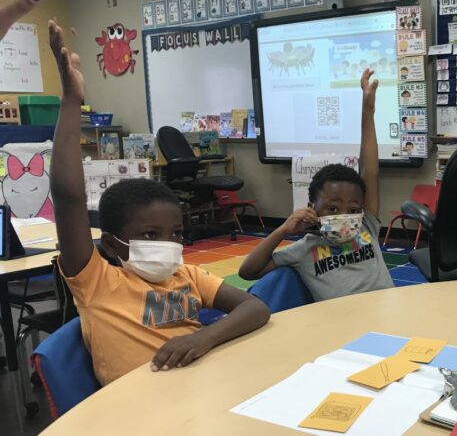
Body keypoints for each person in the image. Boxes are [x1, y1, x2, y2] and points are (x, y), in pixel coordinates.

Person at [48, 21, 269, 386]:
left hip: (199, 393)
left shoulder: (188, 276)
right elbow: (68, 198)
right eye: (151, 234)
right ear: (111, 243)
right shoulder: (97, 281)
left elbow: (255, 307)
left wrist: (202, 337)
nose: (168, 245)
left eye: (176, 233)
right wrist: (71, 102)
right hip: (139, 409)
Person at [239, 69, 393, 302]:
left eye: (353, 210)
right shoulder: (304, 249)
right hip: (347, 323)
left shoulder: (367, 227)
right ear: (313, 207)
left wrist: (368, 112)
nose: (344, 216)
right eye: (333, 209)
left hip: (389, 310)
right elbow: (247, 271)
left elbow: (370, 171)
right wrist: (282, 230)